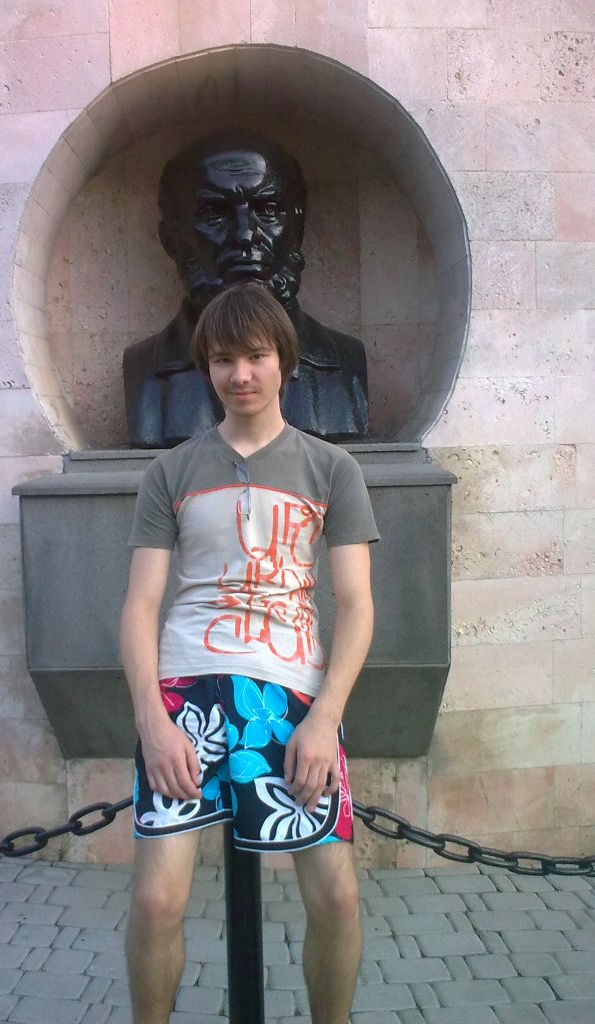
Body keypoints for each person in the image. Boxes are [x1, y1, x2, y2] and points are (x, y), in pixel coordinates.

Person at [120, 282, 378, 1024]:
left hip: (291, 694)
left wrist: (325, 716)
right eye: (224, 360)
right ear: (206, 366)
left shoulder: (332, 468)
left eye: (256, 356)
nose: (241, 375)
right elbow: (140, 604)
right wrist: (152, 720)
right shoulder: (169, 471)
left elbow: (357, 604)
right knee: (156, 900)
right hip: (187, 693)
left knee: (337, 896)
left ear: (284, 362)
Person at [123, 130, 369, 447]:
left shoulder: (346, 364)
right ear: (171, 239)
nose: (245, 235)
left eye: (268, 210)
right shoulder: (143, 369)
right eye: (214, 214)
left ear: (297, 228)